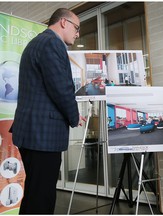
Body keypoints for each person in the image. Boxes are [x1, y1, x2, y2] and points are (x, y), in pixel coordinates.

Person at [9, 8, 86, 214]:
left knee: (36, 193)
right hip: (42, 135)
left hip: (35, 133)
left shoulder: (38, 42)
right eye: (76, 28)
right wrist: (74, 116)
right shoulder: (52, 43)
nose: (77, 34)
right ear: (63, 22)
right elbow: (61, 88)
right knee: (41, 198)